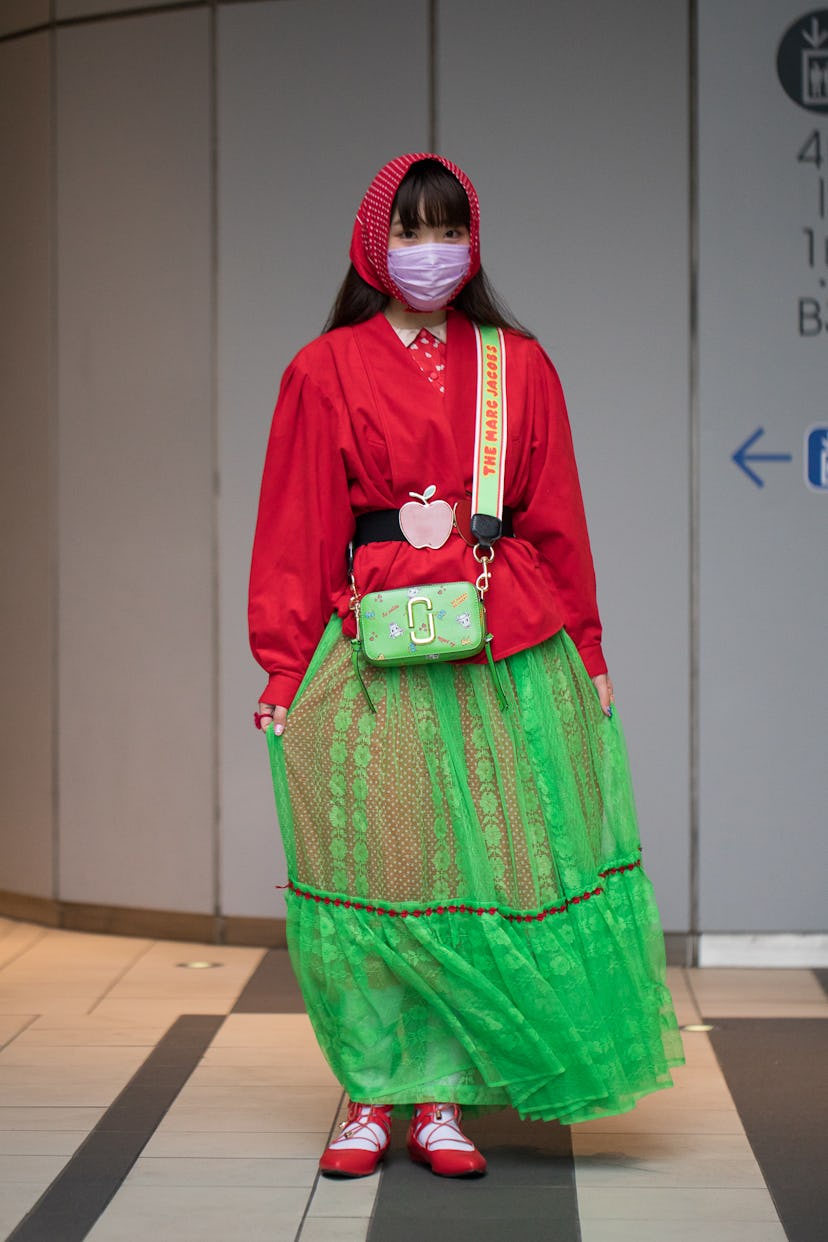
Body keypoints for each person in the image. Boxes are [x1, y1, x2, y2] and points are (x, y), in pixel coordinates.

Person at [249, 152, 685, 1180]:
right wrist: (280, 668)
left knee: (476, 878)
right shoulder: (324, 370)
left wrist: (588, 647)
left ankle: (440, 1098)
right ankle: (367, 1093)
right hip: (372, 655)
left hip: (499, 658)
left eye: (449, 231)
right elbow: (296, 529)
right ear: (372, 246)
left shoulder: (517, 365)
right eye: (410, 232)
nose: (432, 252)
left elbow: (559, 516)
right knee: (374, 872)